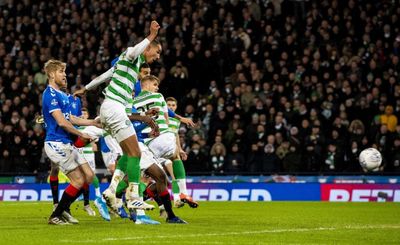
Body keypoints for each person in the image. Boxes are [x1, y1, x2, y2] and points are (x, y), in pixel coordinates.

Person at [99, 21, 161, 211]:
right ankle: (133, 199)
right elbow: (129, 55)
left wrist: (143, 115)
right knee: (135, 155)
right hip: (114, 119)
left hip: (115, 117)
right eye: (145, 71)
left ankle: (112, 192)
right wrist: (151, 35)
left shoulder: (133, 85)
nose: (147, 73)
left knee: (130, 155)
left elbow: (129, 112)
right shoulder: (128, 75)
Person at [42, 59, 99, 225]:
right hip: (56, 143)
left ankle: (64, 208)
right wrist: (81, 135)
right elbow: (61, 122)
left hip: (67, 143)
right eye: (61, 72)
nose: (65, 75)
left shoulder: (63, 95)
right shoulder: (50, 94)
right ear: (52, 74)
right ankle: (56, 215)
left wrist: (92, 123)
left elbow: (71, 118)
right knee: (78, 180)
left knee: (88, 176)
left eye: (65, 72)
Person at [133, 75, 198, 208]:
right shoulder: (158, 97)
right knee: (176, 156)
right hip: (163, 137)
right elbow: (167, 119)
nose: (157, 87)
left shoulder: (133, 102)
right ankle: (183, 193)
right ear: (147, 85)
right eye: (155, 85)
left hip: (147, 142)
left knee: (143, 177)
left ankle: (134, 199)